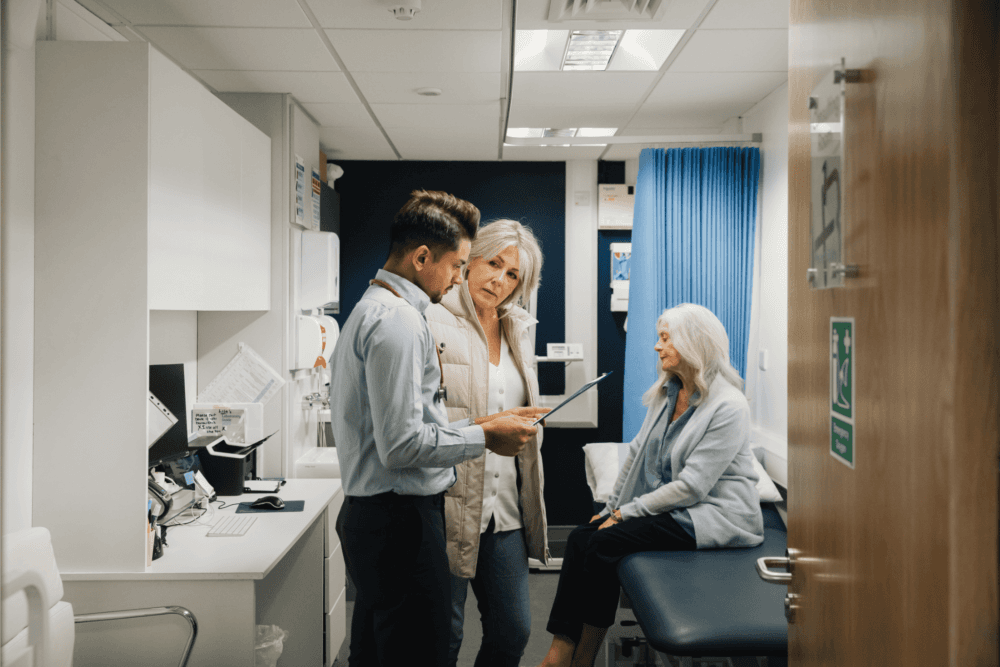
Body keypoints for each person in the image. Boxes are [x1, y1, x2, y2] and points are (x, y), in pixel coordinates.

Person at [329, 191, 546, 667]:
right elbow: (403, 444)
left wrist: (483, 423)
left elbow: (418, 418)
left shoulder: (373, 308)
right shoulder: (405, 321)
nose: (457, 279)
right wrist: (485, 436)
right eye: (461, 265)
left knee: (380, 649)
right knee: (423, 649)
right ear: (423, 257)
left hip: (386, 515)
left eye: (514, 275)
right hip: (401, 517)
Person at [536, 303, 764, 667]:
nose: (657, 347)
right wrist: (610, 509)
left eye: (664, 338)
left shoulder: (728, 406)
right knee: (583, 536)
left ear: (692, 342)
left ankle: (582, 656)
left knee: (605, 543)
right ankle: (561, 647)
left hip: (716, 517)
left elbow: (692, 488)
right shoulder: (667, 393)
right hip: (681, 510)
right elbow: (637, 454)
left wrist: (626, 513)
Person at [424, 219, 551, 667]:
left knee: (513, 630)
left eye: (512, 274)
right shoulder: (431, 318)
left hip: (505, 510)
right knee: (444, 636)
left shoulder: (518, 327)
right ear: (471, 259)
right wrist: (488, 427)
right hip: (449, 506)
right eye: (493, 263)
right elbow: (422, 419)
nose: (499, 279)